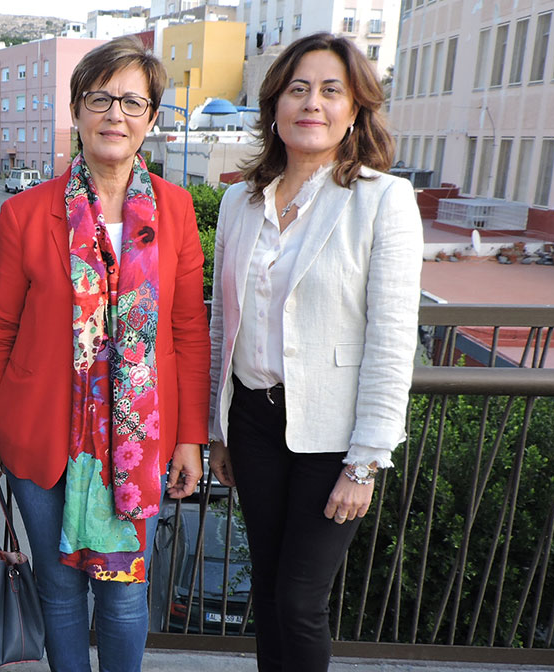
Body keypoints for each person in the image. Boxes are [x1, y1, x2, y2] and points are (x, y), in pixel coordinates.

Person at [0, 37, 210, 671]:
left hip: (141, 441)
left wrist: (190, 439)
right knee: (60, 592)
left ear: (152, 121)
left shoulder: (177, 211)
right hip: (42, 435)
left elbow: (188, 330)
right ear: (76, 110)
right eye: (100, 98)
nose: (115, 115)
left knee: (126, 598)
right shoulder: (26, 213)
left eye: (133, 102)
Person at [206, 33, 423, 671]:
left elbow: (391, 341)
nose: (313, 103)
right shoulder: (240, 201)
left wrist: (365, 463)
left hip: (333, 437)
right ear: (274, 104)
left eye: (332, 91)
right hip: (252, 421)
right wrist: (217, 430)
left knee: (301, 599)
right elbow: (225, 325)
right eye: (298, 89)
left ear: (355, 110)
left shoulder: (383, 200)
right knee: (268, 589)